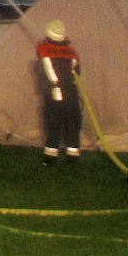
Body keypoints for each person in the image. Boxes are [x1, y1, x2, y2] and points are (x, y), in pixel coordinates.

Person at [37, 19, 82, 166]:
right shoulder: (72, 51)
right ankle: (73, 158)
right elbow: (77, 71)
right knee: (73, 126)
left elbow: (42, 72)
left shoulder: (43, 49)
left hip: (54, 94)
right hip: (72, 94)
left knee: (54, 126)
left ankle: (50, 160)